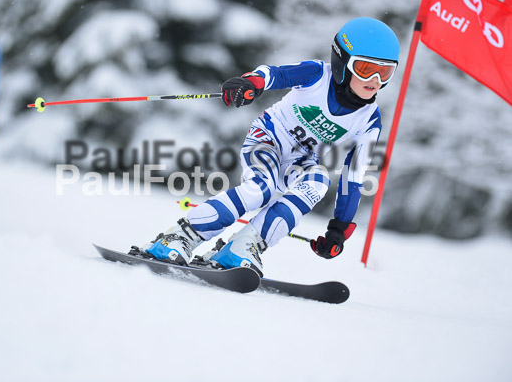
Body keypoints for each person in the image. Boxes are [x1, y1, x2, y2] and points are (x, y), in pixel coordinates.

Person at [139, 17, 400, 276]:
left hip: (300, 161)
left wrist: (338, 229)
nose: (375, 80)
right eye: (366, 69)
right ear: (342, 62)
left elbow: (353, 178)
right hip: (268, 139)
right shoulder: (318, 75)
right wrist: (251, 83)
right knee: (260, 190)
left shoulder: (369, 120)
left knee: (318, 180)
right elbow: (274, 74)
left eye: (385, 71)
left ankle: (240, 248)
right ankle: (179, 236)